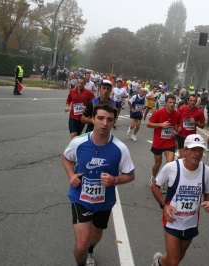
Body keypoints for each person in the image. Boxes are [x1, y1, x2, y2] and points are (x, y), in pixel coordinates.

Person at [62, 101, 135, 266]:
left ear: (114, 121)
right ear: (93, 119)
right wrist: (71, 175)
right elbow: (66, 157)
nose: (104, 123)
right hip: (80, 198)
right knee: (81, 244)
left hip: (104, 202)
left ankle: (91, 249)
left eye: (109, 119)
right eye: (100, 118)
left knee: (96, 233)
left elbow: (130, 175)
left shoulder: (120, 148)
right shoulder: (78, 142)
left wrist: (114, 180)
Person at [150, 134, 209, 266]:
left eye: (200, 150)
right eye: (193, 149)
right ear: (184, 151)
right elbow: (154, 185)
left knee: (178, 257)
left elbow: (208, 194)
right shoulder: (172, 168)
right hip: (172, 221)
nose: (197, 154)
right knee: (174, 262)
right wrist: (164, 205)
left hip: (191, 223)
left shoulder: (207, 172)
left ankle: (158, 262)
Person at [147, 95, 181, 189]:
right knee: (157, 164)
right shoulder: (159, 113)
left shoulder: (177, 114)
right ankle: (153, 177)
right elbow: (148, 124)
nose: (172, 104)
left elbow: (177, 126)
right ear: (166, 102)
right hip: (158, 142)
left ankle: (162, 182)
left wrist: (176, 132)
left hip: (170, 142)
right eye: (170, 102)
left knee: (170, 164)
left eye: (174, 103)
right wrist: (161, 124)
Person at [65, 77, 95, 141]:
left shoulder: (88, 93)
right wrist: (67, 106)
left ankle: (74, 149)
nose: (80, 85)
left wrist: (86, 107)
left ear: (84, 84)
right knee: (73, 134)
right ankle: (70, 150)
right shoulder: (72, 91)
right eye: (78, 83)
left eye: (82, 83)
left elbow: (94, 103)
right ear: (76, 83)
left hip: (82, 118)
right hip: (73, 116)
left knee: (77, 136)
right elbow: (68, 100)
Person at [177, 94, 206, 159]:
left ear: (196, 102)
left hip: (191, 138)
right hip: (181, 136)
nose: (192, 102)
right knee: (184, 156)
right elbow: (175, 120)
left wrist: (195, 123)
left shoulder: (199, 111)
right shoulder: (182, 109)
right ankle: (178, 165)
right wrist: (176, 129)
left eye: (194, 101)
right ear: (188, 101)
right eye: (191, 100)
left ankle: (177, 161)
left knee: (186, 157)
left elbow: (203, 125)